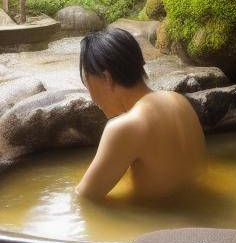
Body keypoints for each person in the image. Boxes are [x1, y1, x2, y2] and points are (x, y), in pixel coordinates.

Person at [76, 27, 206, 201]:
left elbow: (84, 198)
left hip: (161, 223)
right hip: (199, 211)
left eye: (87, 81)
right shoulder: (179, 101)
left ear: (106, 78)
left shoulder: (126, 126)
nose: (91, 97)